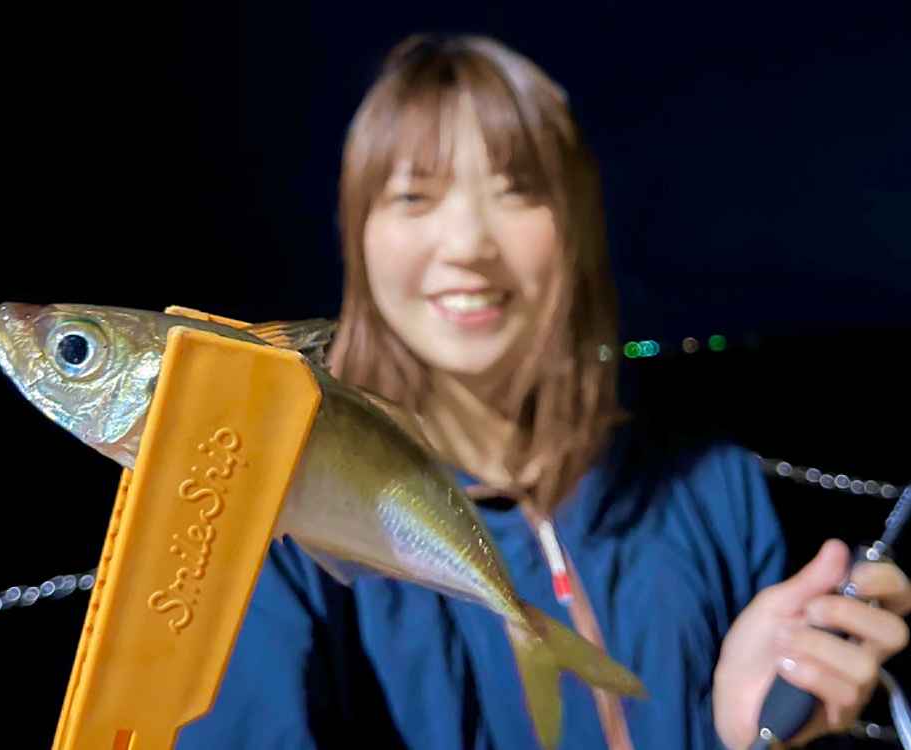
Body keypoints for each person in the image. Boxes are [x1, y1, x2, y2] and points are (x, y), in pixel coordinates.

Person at [175, 33, 910, 749]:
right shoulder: (279, 520)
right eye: (414, 197)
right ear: (358, 237)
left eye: (516, 191)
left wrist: (754, 732)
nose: (468, 245)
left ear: (576, 227)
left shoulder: (715, 491)